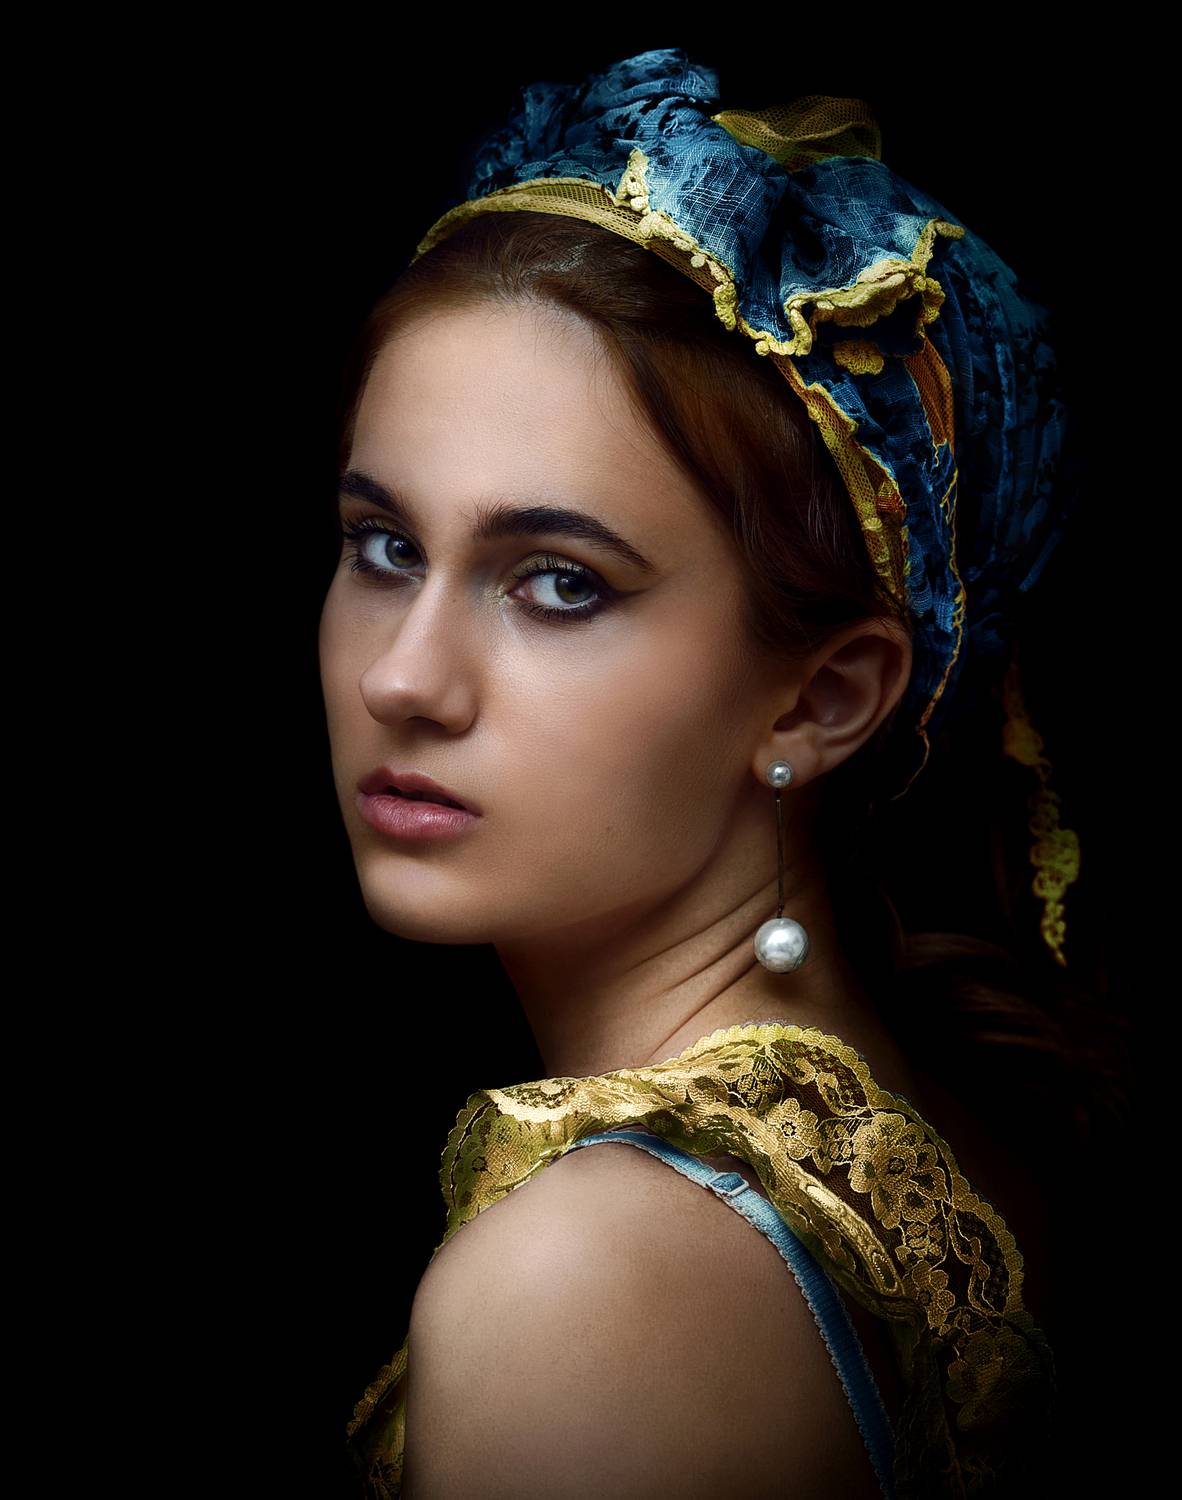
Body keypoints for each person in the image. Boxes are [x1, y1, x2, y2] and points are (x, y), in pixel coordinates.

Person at [322, 49, 1107, 1499]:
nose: (402, 679)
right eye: (384, 547)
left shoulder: (587, 1288)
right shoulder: (947, 1119)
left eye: (559, 582)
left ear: (822, 698)